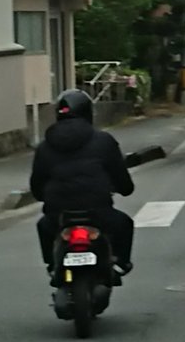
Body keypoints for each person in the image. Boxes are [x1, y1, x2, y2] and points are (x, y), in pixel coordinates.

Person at [30, 89, 135, 285]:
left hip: (59, 214)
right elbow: (121, 178)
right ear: (88, 112)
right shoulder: (104, 141)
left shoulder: (45, 146)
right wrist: (124, 188)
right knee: (124, 224)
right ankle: (120, 263)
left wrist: (44, 195)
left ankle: (53, 265)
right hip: (98, 211)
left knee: (43, 226)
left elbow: (37, 184)